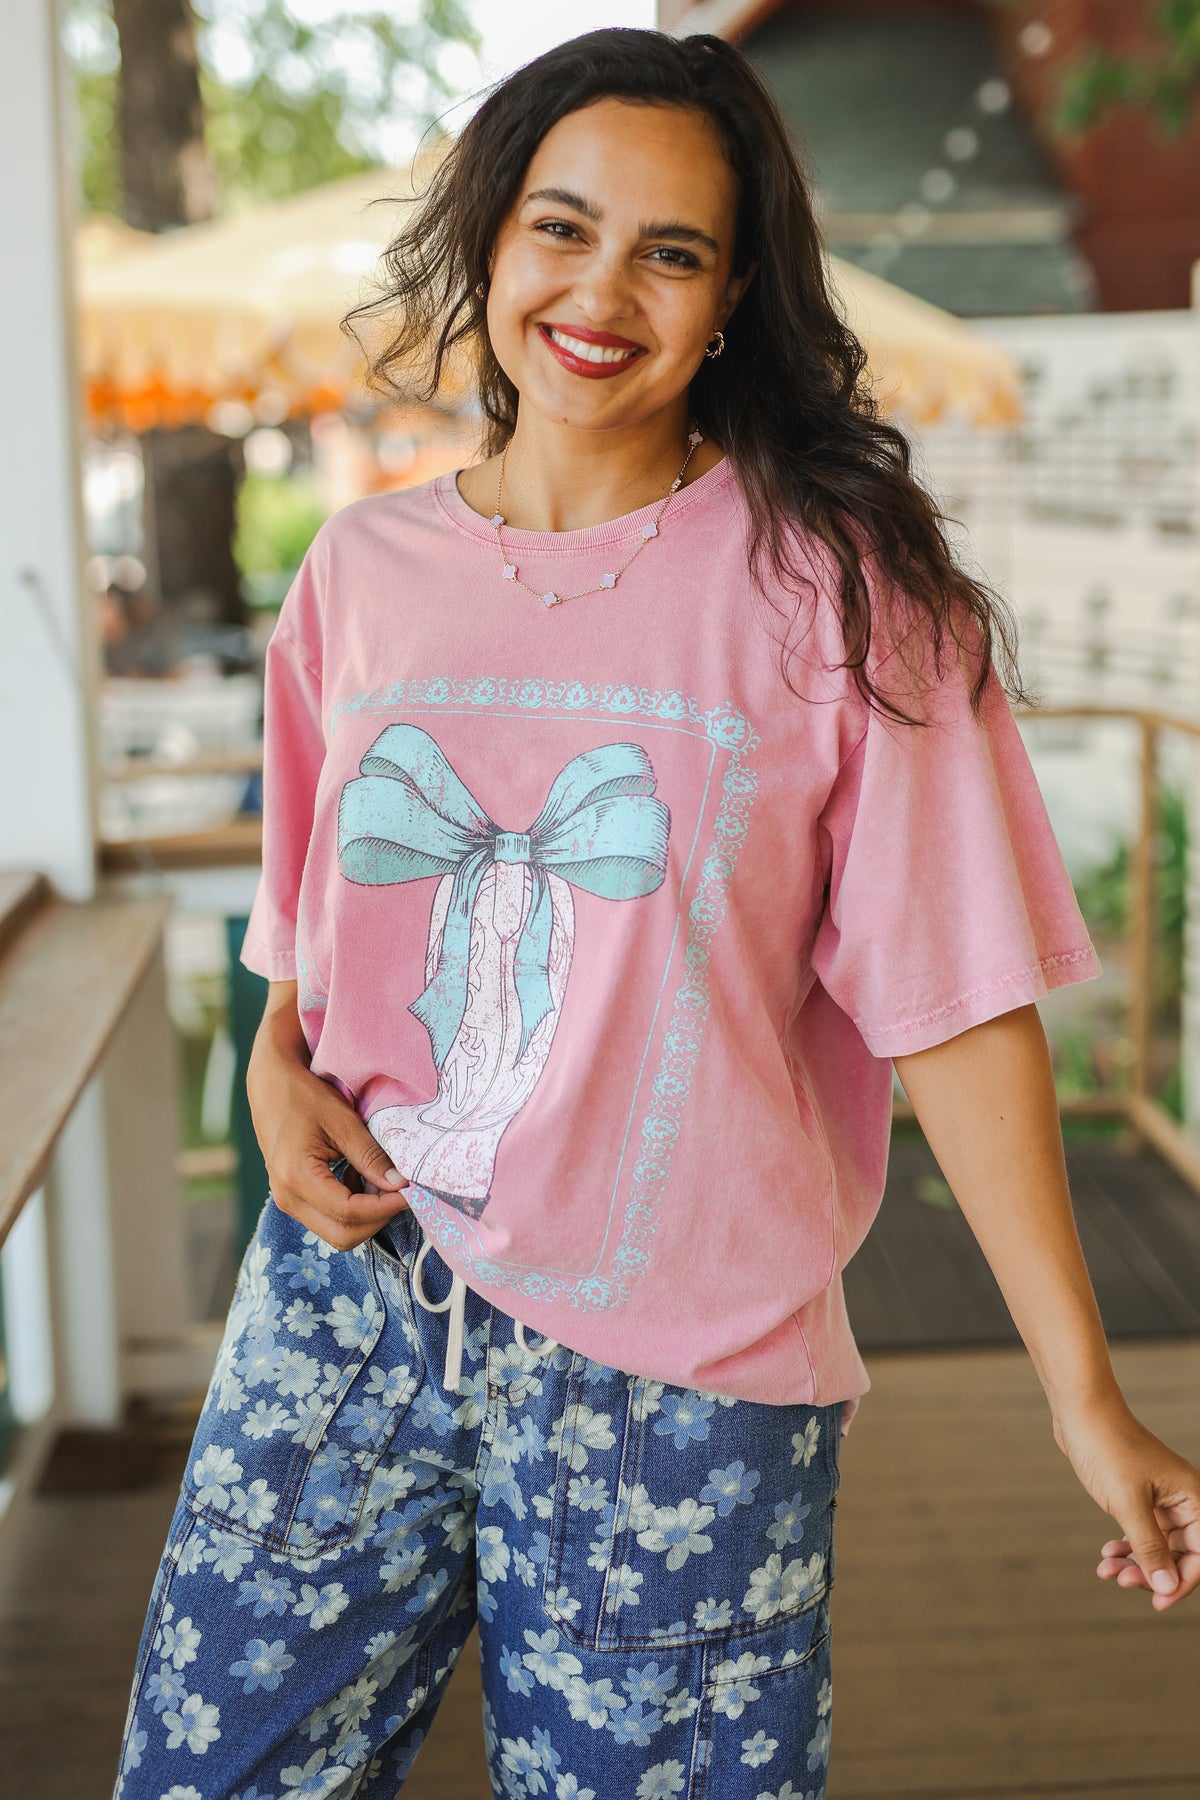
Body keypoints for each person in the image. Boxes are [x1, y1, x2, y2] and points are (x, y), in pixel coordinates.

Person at [112, 27, 1200, 1800]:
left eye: (669, 250)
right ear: (489, 243)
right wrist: (268, 1062)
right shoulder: (358, 576)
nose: (599, 289)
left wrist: (1082, 1390)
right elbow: (309, 924)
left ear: (733, 295)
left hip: (683, 1385)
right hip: (350, 1311)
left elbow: (957, 999)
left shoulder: (840, 588)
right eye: (561, 226)